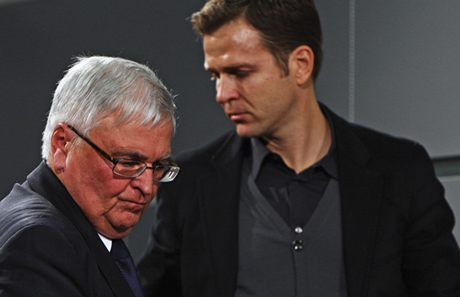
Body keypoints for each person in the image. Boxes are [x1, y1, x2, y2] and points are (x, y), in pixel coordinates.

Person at [136, 1, 460, 296]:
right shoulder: (192, 182)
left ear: (301, 64)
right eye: (216, 76)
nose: (222, 93)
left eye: (240, 72)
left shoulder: (400, 171)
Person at [0, 56, 179, 297]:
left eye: (159, 165)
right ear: (63, 144)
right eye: (128, 162)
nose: (147, 187)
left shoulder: (69, 234)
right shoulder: (36, 245)